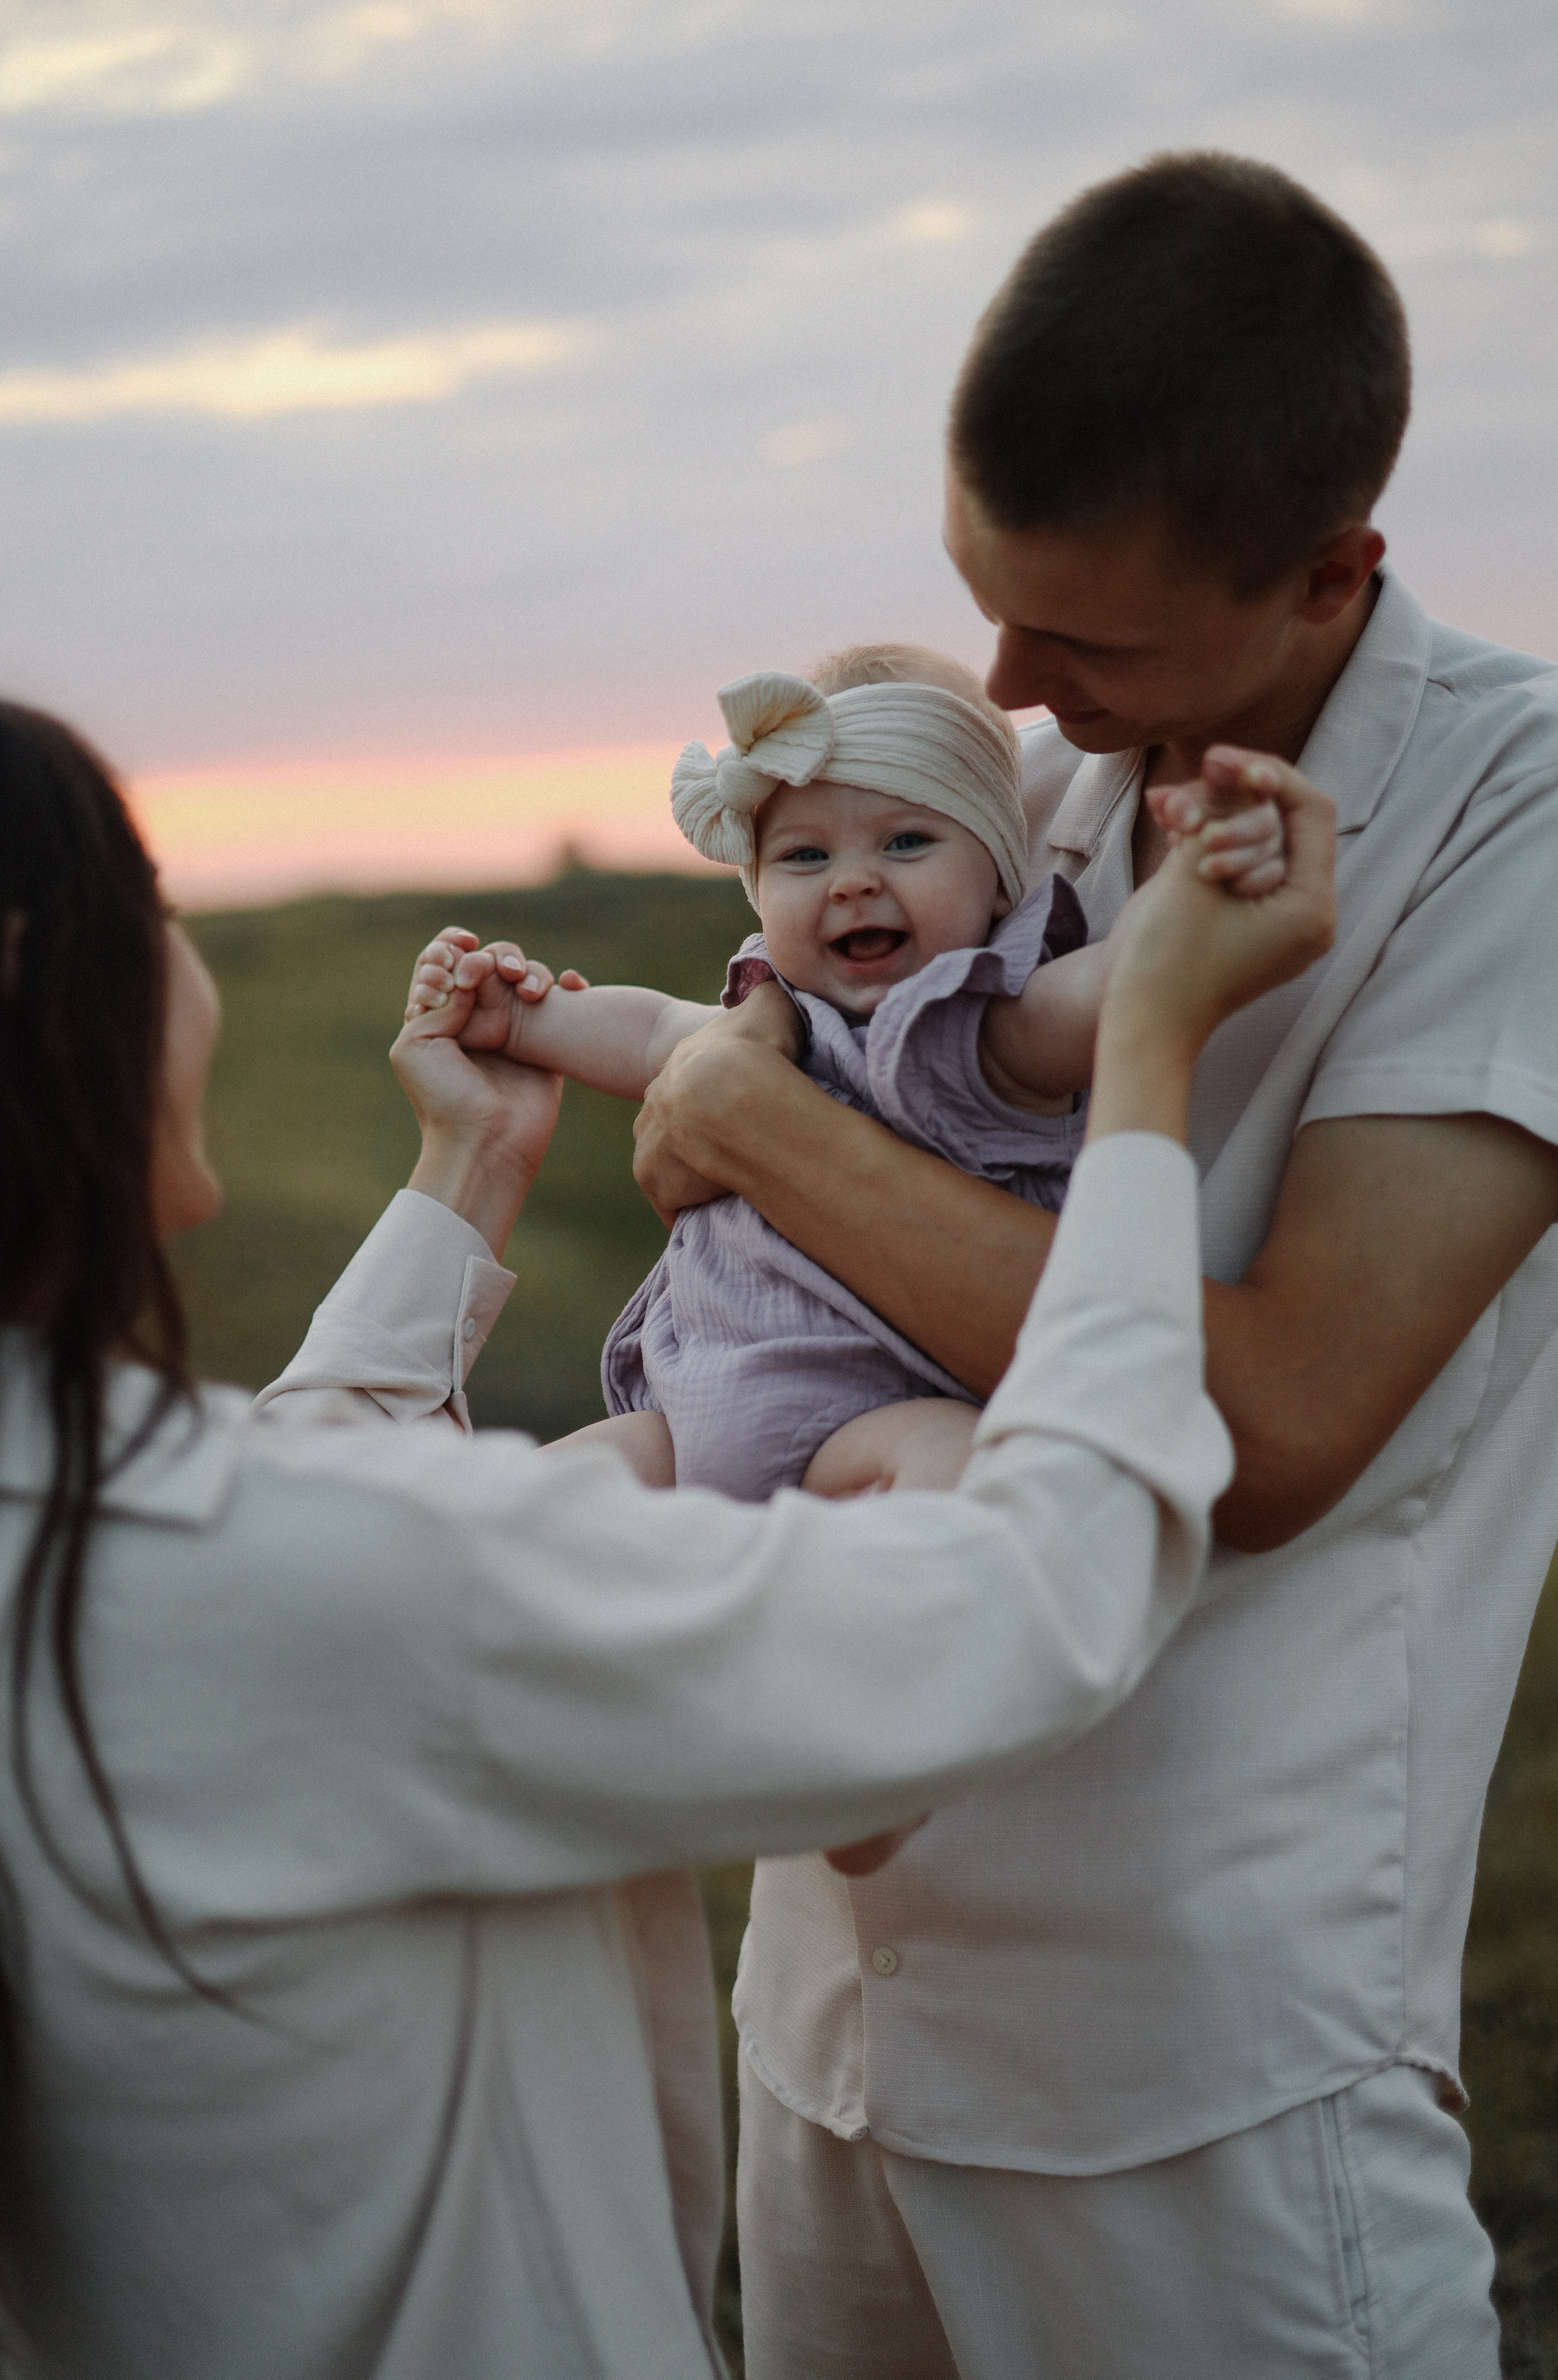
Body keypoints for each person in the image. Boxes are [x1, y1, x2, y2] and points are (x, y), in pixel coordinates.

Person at [0, 697, 1330, 2379]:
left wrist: (471, 1163)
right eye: (166, 918)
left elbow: (288, 1509)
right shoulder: (343, 1583)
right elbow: (1031, 1603)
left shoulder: (144, 1552)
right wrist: (1148, 1053)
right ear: (48, 982)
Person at [620, 156, 1558, 2378]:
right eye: (989, 605)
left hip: (1198, 2043)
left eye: (1088, 639)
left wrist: (756, 1113)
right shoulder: (1038, 780)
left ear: (1335, 568)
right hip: (837, 1989)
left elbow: (1263, 1422)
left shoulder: (1537, 808)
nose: (1012, 693)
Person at [401, 644, 1281, 1512]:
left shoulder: (985, 1019)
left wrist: (1205, 887)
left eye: (906, 842)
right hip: (688, 1422)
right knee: (507, 1518)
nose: (854, 882)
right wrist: (519, 1017)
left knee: (958, 1468)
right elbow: (647, 1031)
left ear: (997, 874)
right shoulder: (768, 1021)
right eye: (805, 857)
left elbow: (1121, 983)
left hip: (880, 1418)